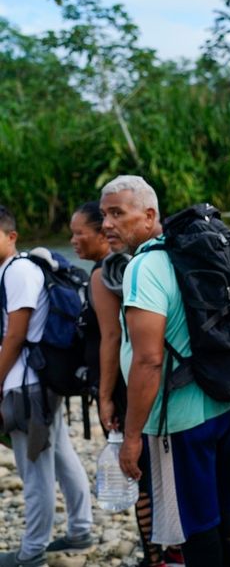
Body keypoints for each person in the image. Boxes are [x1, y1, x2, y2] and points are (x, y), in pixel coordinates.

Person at [99, 176, 230, 567]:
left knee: (193, 527)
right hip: (220, 401)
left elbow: (148, 360)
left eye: (117, 213)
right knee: (218, 514)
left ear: (149, 216)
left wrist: (131, 438)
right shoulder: (185, 253)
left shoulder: (143, 267)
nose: (107, 224)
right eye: (103, 215)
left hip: (178, 419)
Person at [71, 202, 183, 567]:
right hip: (153, 384)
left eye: (80, 233)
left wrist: (104, 398)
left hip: (126, 387)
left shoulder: (103, 274)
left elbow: (110, 338)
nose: (74, 241)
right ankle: (174, 548)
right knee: (159, 472)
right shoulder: (139, 265)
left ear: (102, 234)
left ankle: (155, 557)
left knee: (137, 474)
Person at [0, 205, 93, 567]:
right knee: (59, 453)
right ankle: (80, 529)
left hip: (28, 386)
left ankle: (32, 551)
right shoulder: (16, 269)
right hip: (39, 381)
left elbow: (15, 335)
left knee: (34, 468)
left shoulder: (18, 271)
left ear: (12, 237)